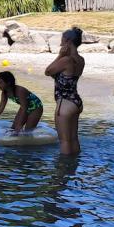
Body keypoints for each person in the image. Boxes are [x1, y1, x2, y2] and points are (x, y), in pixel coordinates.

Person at [44, 27, 85, 155]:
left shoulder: (66, 60)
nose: (60, 41)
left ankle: (63, 171)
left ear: (67, 41)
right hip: (76, 101)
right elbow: (63, 77)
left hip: (65, 104)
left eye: (62, 38)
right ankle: (74, 171)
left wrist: (60, 55)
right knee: (73, 139)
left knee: (64, 141)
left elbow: (48, 71)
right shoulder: (80, 60)